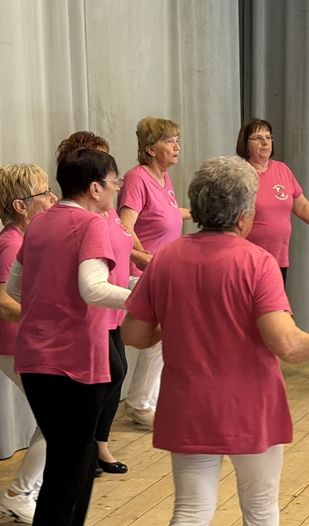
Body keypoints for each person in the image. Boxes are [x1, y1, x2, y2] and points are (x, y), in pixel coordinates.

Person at [121, 155, 309, 526]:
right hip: (249, 406)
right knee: (260, 508)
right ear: (244, 215)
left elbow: (135, 334)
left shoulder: (166, 258)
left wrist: (172, 325)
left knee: (189, 515)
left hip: (187, 405)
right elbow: (286, 344)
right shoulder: (257, 262)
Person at [8, 148, 131, 526]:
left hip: (36, 361)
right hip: (74, 365)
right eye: (114, 182)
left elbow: (16, 288)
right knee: (68, 472)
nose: (117, 190)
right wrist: (147, 298)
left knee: (74, 465)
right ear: (95, 187)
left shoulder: (40, 223)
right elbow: (93, 288)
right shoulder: (91, 224)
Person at [56, 131, 133, 476]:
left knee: (118, 371)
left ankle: (99, 443)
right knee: (108, 373)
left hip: (113, 304)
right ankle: (87, 444)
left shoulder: (107, 211)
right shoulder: (79, 218)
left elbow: (126, 242)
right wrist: (142, 297)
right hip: (95, 307)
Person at [0, 164, 56, 524]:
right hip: (16, 346)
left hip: (26, 344)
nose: (52, 198)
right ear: (20, 205)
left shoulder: (25, 240)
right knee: (57, 418)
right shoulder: (10, 246)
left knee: (55, 418)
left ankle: (27, 490)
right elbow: (5, 303)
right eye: (43, 193)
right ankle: (19, 493)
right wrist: (51, 314)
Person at [119, 117, 190, 429]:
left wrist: (200, 212)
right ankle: (140, 403)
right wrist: (144, 258)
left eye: (177, 139)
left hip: (163, 273)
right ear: (150, 149)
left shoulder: (164, 179)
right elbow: (124, 227)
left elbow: (167, 214)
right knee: (162, 333)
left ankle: (150, 399)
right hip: (139, 274)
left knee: (169, 334)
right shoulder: (136, 179)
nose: (176, 146)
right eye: (169, 141)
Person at [235, 118, 309, 281]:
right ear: (245, 143)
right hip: (247, 260)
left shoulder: (282, 170)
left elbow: (301, 205)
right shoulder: (238, 174)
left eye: (268, 137)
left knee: (275, 299)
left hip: (278, 260)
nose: (265, 143)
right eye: (259, 138)